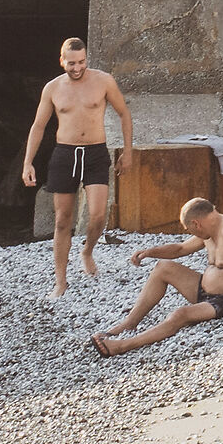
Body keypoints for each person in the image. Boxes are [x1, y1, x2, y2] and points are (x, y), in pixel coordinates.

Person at [20, 37, 135, 297]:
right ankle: (60, 281)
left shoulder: (104, 81)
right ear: (62, 61)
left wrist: (128, 152)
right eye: (71, 63)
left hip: (95, 152)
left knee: (97, 215)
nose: (77, 68)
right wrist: (28, 162)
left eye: (81, 62)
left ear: (86, 59)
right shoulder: (52, 88)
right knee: (62, 220)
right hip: (65, 154)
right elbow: (38, 126)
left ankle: (87, 251)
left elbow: (124, 114)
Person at [89, 198, 223, 356]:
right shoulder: (209, 229)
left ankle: (122, 346)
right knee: (163, 268)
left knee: (180, 314)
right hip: (205, 291)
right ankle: (129, 323)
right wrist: (150, 252)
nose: (191, 233)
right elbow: (180, 249)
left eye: (189, 229)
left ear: (196, 224)